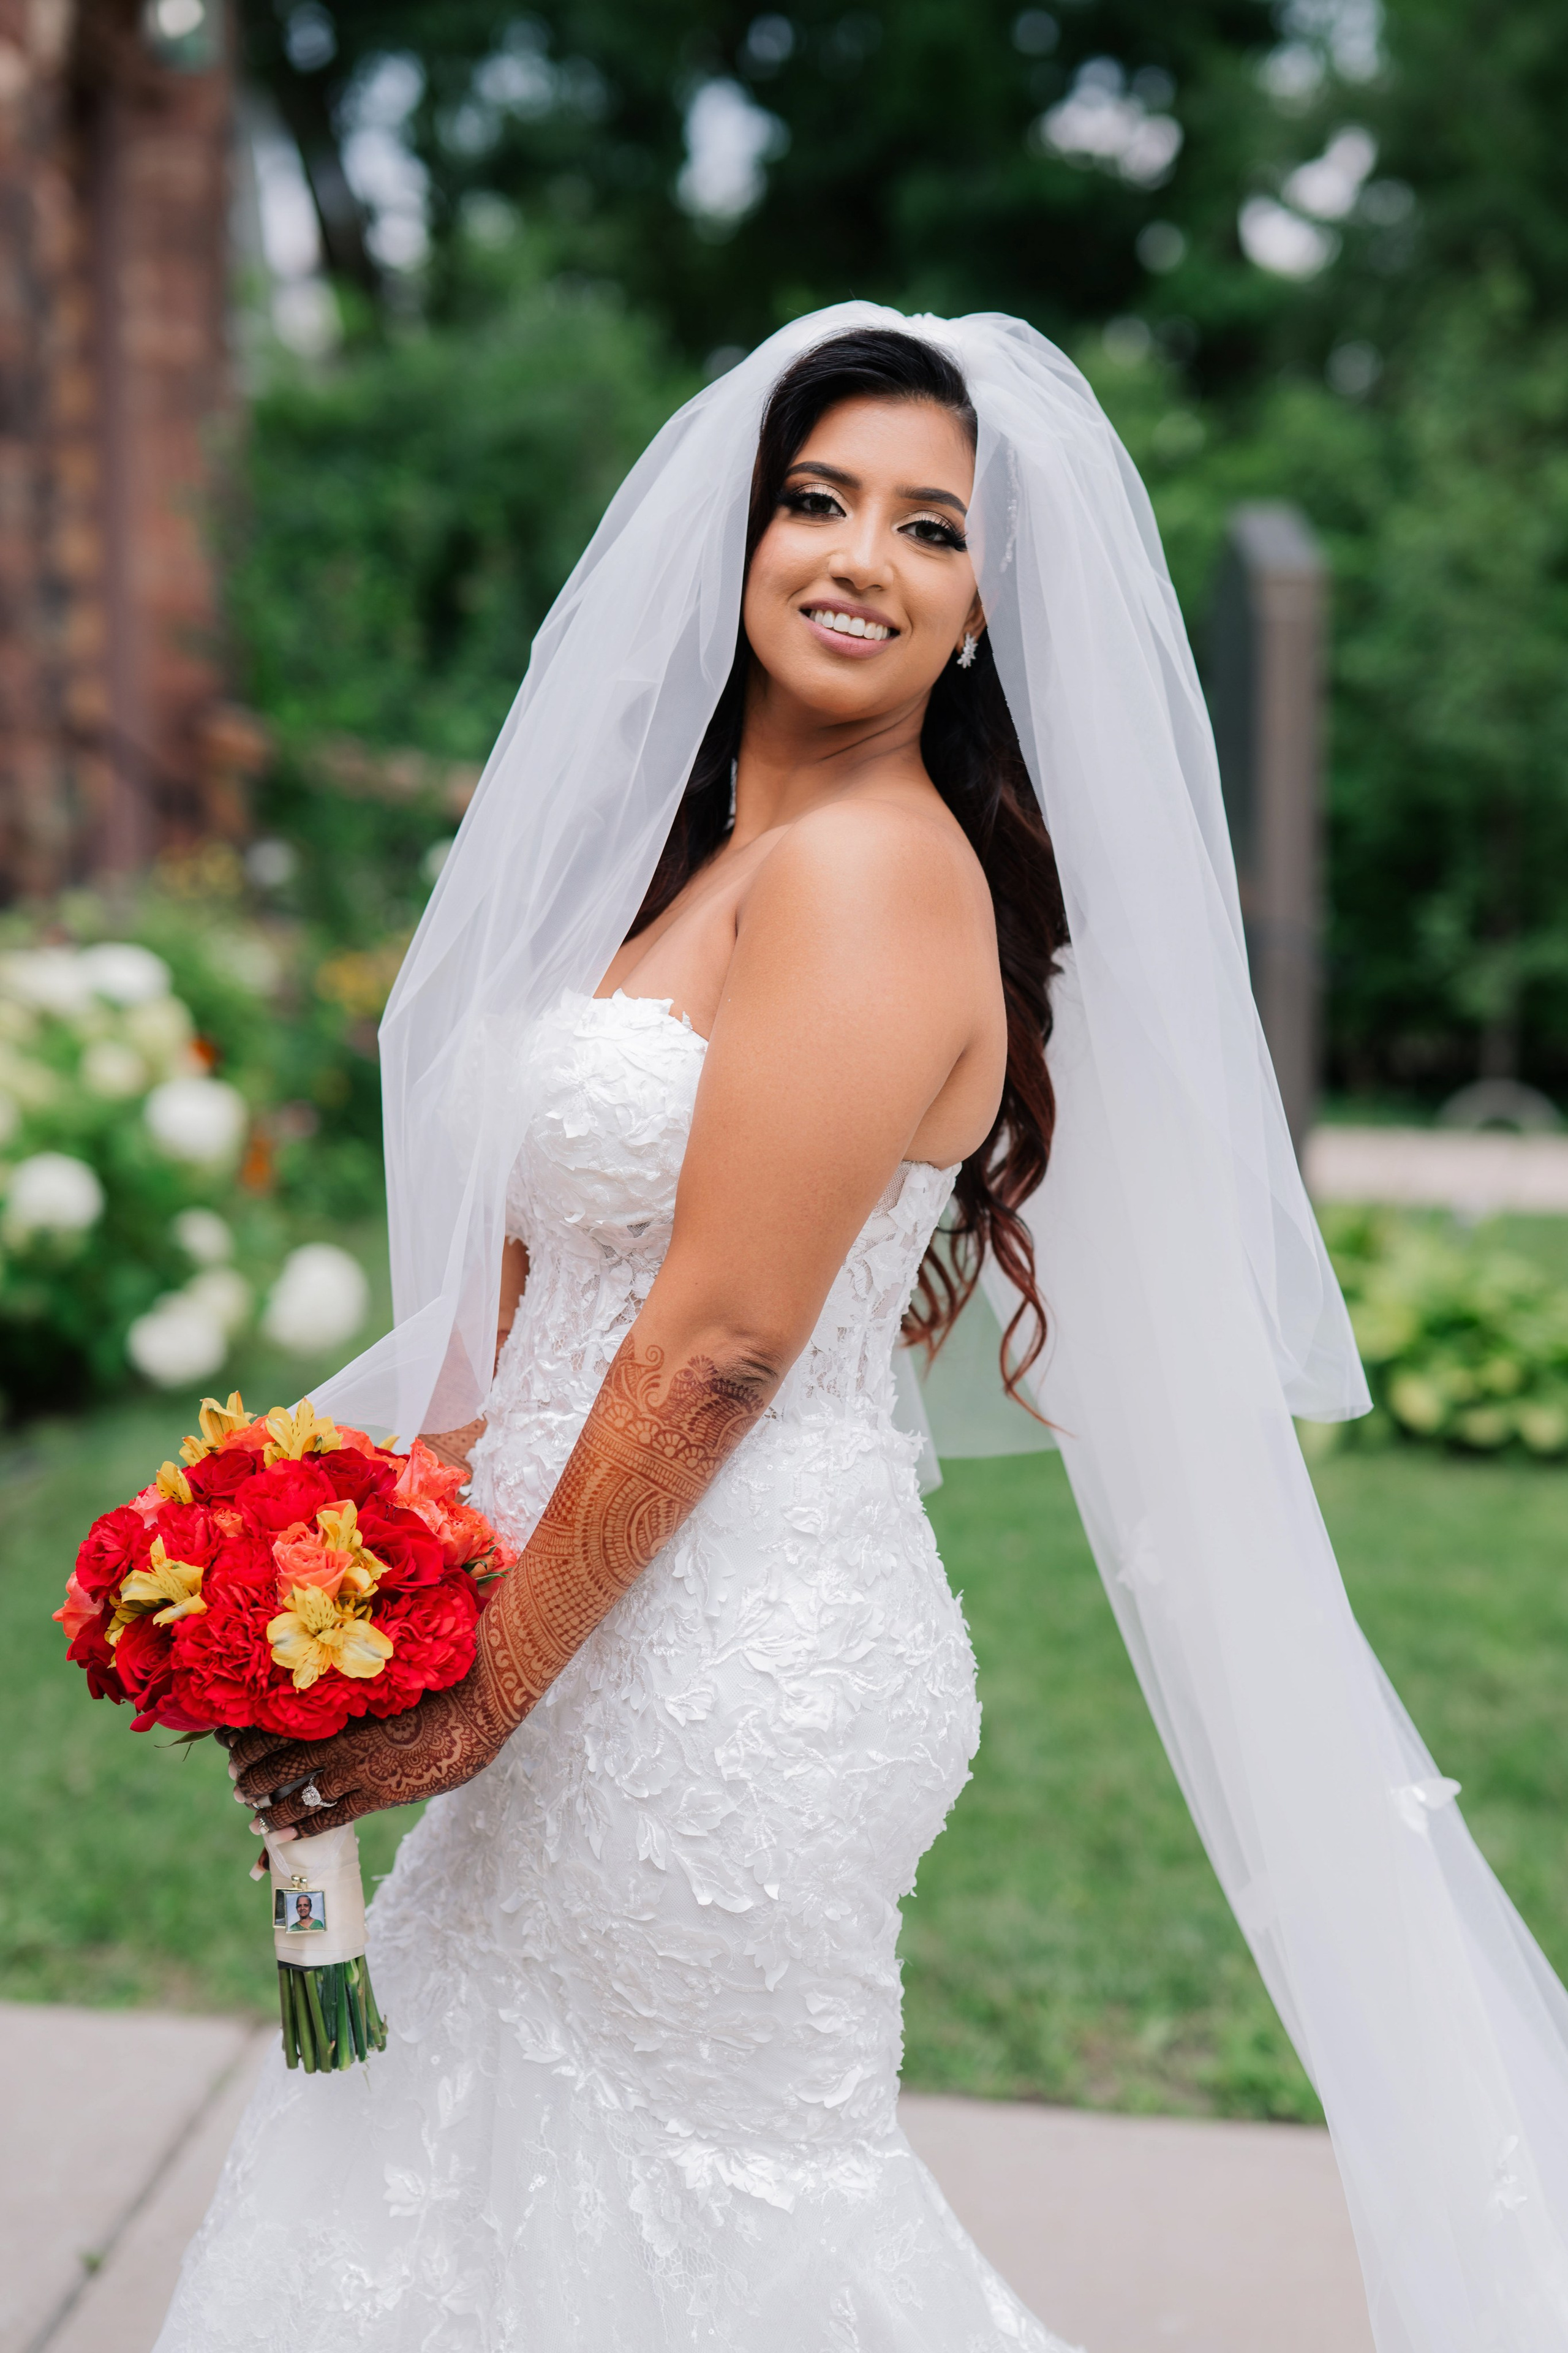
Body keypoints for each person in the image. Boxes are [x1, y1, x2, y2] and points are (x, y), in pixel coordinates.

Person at [157, 311, 1568, 2352]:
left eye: (932, 528)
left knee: (722, 2219)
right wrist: (339, 1575)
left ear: (987, 607)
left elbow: (724, 1336)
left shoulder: (879, 879)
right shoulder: (711, 867)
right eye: (819, 500)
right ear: (740, 534)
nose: (859, 558)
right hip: (563, 1609)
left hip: (718, 1668)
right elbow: (558, 1285)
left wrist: (476, 1706)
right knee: (493, 2186)